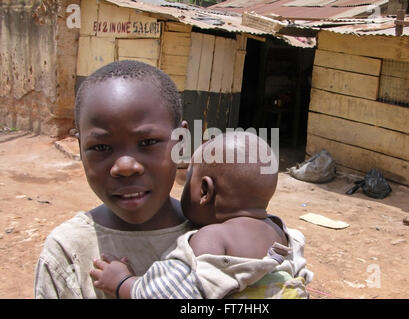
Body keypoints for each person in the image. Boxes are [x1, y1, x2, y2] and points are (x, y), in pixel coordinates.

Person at [34, 60, 195, 298]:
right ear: (80, 148)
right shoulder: (68, 250)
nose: (125, 167)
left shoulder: (215, 239)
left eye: (148, 142)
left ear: (180, 143)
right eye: (101, 147)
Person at [89, 132, 313, 299]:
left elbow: (164, 293)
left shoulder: (212, 238)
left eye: (188, 180)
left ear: (205, 191)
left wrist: (122, 282)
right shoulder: (281, 233)